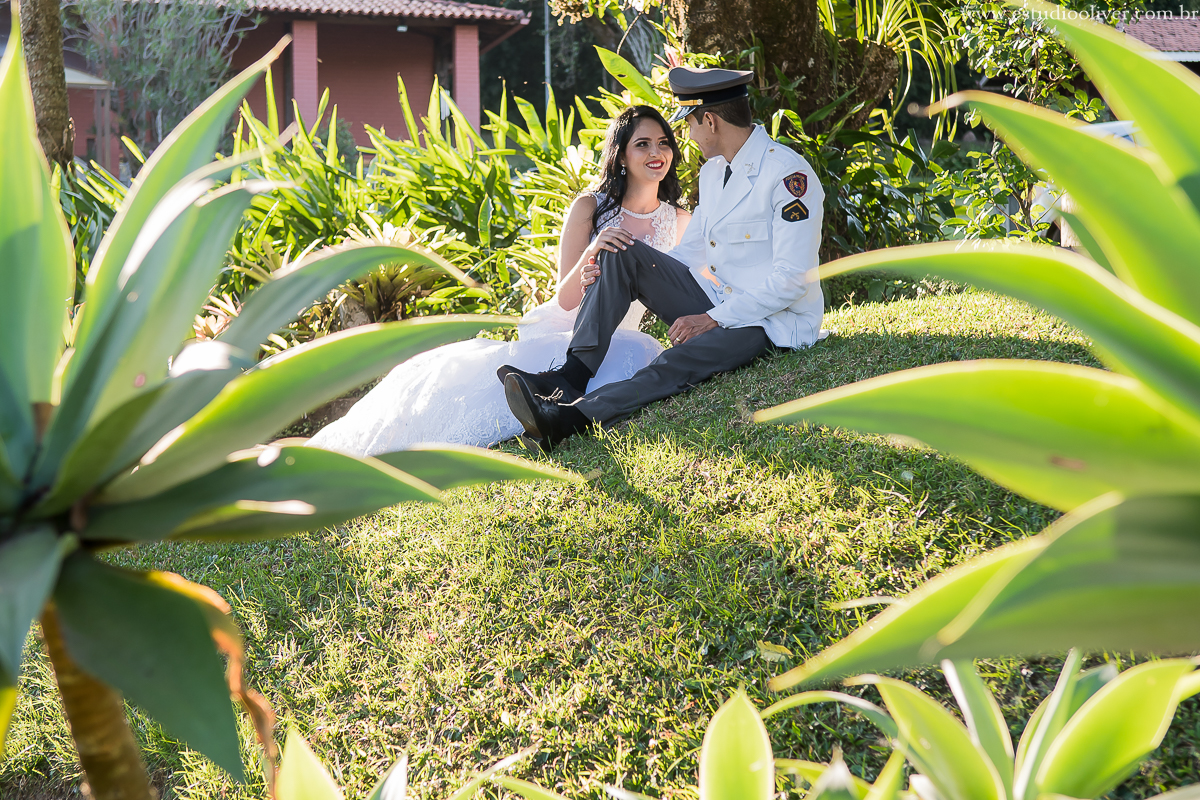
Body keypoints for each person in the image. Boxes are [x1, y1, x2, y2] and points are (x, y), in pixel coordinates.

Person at [306, 106, 692, 456]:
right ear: (622, 156)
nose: (656, 153)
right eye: (642, 144)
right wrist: (593, 256)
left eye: (663, 143)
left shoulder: (679, 222)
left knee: (634, 351)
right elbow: (566, 297)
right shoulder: (590, 207)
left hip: (623, 333)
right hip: (568, 326)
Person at [501, 66, 825, 451]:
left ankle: (571, 417)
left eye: (688, 124)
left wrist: (710, 319)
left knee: (678, 362)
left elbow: (791, 280)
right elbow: (687, 255)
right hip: (719, 302)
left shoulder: (788, 175)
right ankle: (570, 376)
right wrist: (617, 273)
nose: (687, 135)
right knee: (620, 251)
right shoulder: (715, 172)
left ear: (710, 120)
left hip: (770, 323)